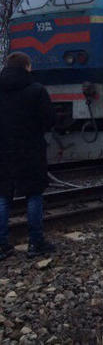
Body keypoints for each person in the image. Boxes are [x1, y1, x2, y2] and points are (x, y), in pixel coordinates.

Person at [0, 52, 56, 261]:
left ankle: (2, 245)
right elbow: (50, 120)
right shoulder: (36, 90)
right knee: (33, 194)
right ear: (27, 67)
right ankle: (35, 243)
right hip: (31, 150)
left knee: (3, 195)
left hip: (3, 150)